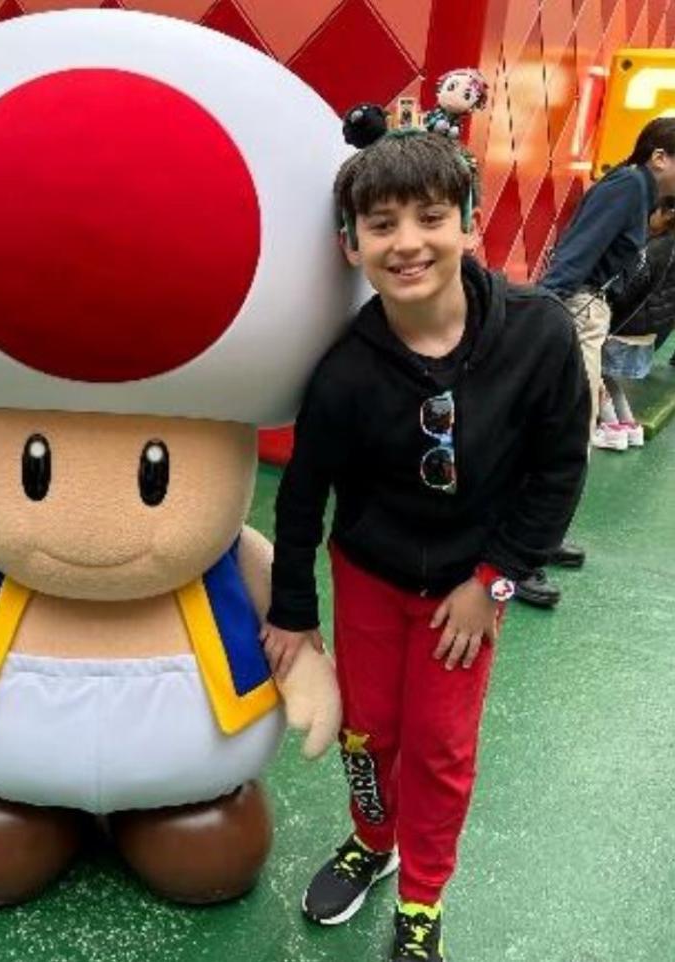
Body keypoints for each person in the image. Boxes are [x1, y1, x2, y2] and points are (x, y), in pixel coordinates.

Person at [261, 130, 589, 962]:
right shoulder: (342, 372)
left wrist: (498, 582)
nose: (408, 242)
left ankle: (422, 900)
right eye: (381, 225)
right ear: (352, 245)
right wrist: (296, 615)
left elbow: (558, 473)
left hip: (471, 584)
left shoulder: (538, 336)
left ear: (468, 226)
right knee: (366, 731)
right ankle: (373, 840)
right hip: (369, 575)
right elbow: (302, 499)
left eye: (430, 217)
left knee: (441, 748)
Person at [516, 118, 675, 603]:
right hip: (575, 311)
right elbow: (574, 257)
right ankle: (522, 553)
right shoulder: (629, 187)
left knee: (569, 433)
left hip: (587, 313)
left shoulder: (639, 192)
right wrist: (542, 321)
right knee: (563, 435)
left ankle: (540, 537)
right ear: (660, 157)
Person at [595, 196, 675, 449]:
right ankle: (628, 425)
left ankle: (611, 427)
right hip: (655, 327)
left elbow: (629, 289)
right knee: (605, 373)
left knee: (590, 368)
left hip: (630, 323)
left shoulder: (656, 248)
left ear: (665, 213)